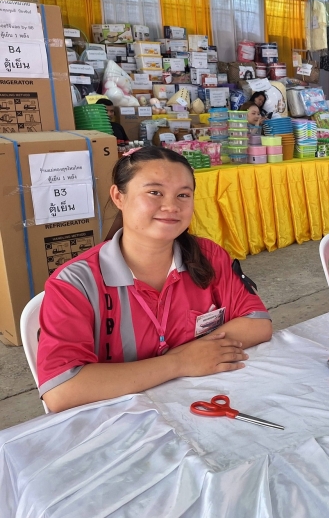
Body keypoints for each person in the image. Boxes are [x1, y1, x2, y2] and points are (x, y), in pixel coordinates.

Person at [36, 147, 273, 413]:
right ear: (119, 196)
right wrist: (179, 363)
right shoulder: (76, 283)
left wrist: (192, 357)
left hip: (202, 403)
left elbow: (257, 323)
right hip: (120, 419)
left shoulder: (208, 256)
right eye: (155, 192)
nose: (171, 206)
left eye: (183, 195)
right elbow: (62, 390)